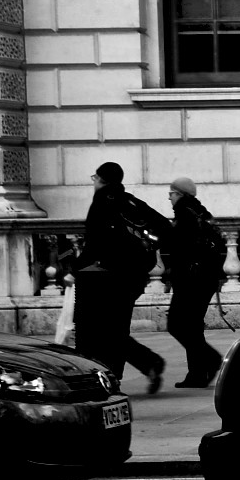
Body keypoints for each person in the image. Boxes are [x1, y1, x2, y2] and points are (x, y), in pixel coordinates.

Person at [74, 161, 172, 393]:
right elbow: (165, 227)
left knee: (102, 331)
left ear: (100, 179)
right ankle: (144, 366)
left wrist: (74, 268)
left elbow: (94, 243)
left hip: (106, 278)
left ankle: (121, 376)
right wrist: (147, 253)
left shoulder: (101, 202)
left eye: (94, 178)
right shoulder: (131, 201)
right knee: (116, 329)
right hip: (134, 276)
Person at [164, 176, 226, 387]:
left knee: (176, 325)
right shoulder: (202, 212)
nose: (169, 197)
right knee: (191, 326)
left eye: (171, 193)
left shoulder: (185, 214)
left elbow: (181, 247)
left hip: (191, 280)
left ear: (179, 194)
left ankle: (211, 359)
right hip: (205, 279)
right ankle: (197, 374)